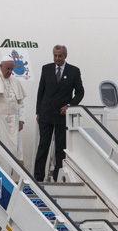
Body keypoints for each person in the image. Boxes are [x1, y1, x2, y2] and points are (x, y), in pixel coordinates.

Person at [34, 45, 84, 182]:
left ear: (65, 56)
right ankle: (38, 176)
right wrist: (38, 111)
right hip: (46, 113)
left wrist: (70, 106)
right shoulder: (46, 69)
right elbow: (41, 91)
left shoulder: (73, 71)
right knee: (43, 145)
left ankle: (57, 176)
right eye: (55, 55)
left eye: (59, 56)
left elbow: (80, 92)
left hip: (62, 115)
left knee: (60, 147)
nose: (57, 58)